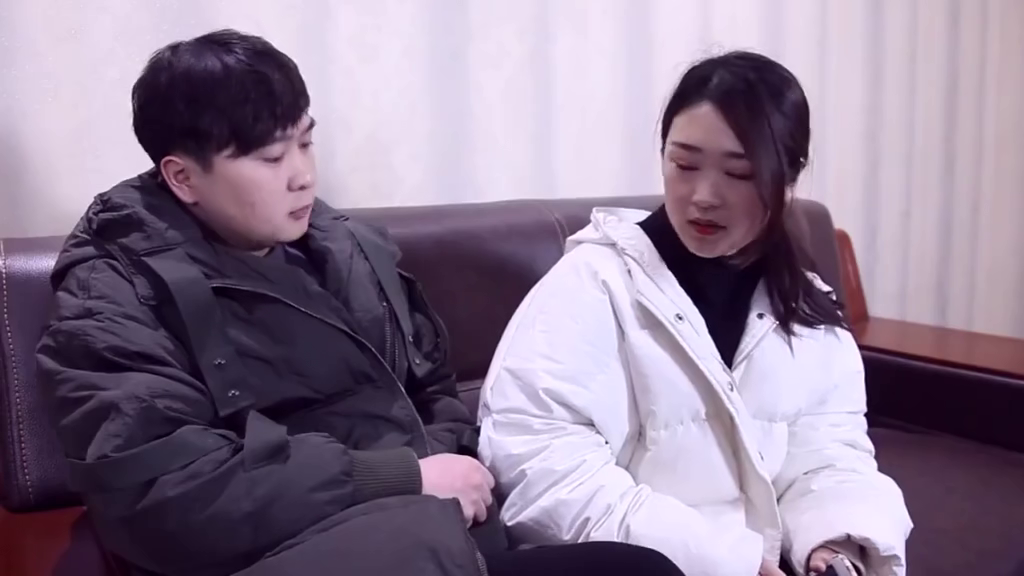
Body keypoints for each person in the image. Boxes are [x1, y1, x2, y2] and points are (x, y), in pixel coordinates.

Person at [36, 29, 685, 576]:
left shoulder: (346, 248)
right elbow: (167, 499)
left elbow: (433, 391)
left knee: (638, 567)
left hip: (428, 536)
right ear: (182, 177)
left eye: (305, 142)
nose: (302, 175)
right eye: (270, 157)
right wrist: (404, 478)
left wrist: (442, 470)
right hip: (296, 550)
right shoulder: (113, 290)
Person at [477, 51, 913, 576]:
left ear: (788, 176)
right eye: (684, 165)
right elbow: (541, 473)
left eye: (739, 173)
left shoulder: (804, 305)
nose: (703, 197)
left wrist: (835, 543)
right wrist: (728, 561)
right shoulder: (591, 286)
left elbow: (832, 456)